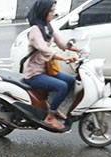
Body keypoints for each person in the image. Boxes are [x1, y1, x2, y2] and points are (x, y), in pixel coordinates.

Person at [22, 0, 79, 131]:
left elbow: (62, 44)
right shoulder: (35, 30)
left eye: (54, 10)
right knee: (62, 86)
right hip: (34, 74)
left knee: (71, 81)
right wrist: (65, 59)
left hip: (45, 70)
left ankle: (53, 107)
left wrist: (78, 50)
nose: (53, 13)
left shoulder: (48, 26)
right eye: (51, 11)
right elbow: (45, 50)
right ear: (43, 12)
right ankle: (50, 117)